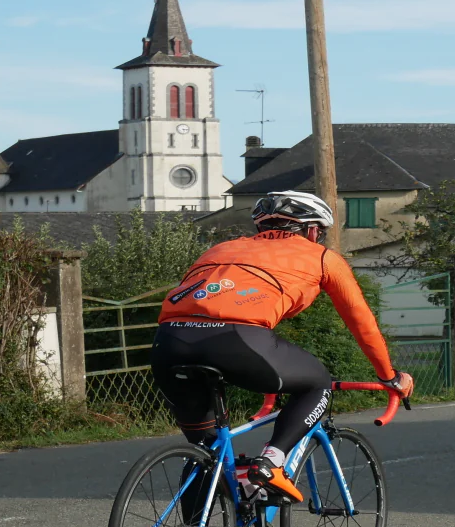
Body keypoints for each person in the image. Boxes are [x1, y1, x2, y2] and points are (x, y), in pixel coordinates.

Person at [150, 190, 412, 505]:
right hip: (237, 339)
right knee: (317, 382)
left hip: (169, 341)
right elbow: (362, 323)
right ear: (314, 230)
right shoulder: (322, 257)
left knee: (205, 455)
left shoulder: (219, 249)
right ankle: (271, 462)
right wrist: (389, 376)